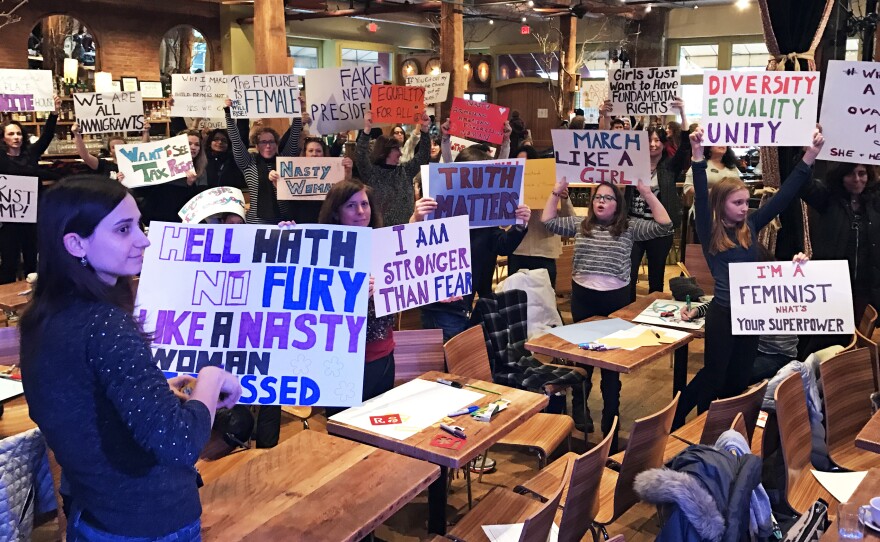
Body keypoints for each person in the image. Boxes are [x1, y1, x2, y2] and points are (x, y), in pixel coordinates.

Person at [20, 175, 241, 540]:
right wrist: (212, 378)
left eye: (139, 223)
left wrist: (153, 391)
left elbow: (80, 405)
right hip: (146, 521)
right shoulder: (104, 323)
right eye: (123, 229)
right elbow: (180, 443)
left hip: (93, 512)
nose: (144, 239)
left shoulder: (44, 316)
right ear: (76, 243)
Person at [672, 126, 825, 428]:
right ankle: (692, 422)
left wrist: (809, 156)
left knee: (739, 376)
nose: (744, 208)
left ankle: (727, 425)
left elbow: (785, 196)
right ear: (722, 205)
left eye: (745, 202)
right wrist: (698, 156)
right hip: (724, 313)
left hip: (750, 315)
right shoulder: (709, 229)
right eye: (737, 203)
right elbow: (701, 198)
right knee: (715, 374)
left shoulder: (751, 226)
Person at [543, 177, 673, 447]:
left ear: (618, 204)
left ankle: (610, 422)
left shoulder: (629, 227)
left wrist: (647, 193)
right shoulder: (581, 224)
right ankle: (580, 410)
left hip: (615, 299)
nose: (601, 201)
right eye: (598, 197)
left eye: (608, 198)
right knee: (583, 360)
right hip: (583, 298)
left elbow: (665, 225)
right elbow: (548, 221)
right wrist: (556, 191)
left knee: (611, 364)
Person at [283, 179, 395, 413]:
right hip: (338, 361)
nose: (361, 212)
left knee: (379, 434)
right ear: (336, 212)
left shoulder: (385, 245)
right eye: (351, 206)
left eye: (364, 204)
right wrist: (284, 242)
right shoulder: (318, 249)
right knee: (344, 436)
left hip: (381, 355)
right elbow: (303, 302)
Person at [414, 146, 531, 342]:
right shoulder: (435, 203)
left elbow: (502, 245)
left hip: (465, 301)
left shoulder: (484, 213)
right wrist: (417, 217)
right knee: (449, 361)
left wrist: (520, 225)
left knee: (460, 360)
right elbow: (416, 244)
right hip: (440, 303)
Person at [800, 163, 880, 321]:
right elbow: (803, 184)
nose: (857, 179)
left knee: (861, 331)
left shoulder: (875, 200)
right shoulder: (827, 197)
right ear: (840, 177)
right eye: (850, 174)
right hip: (834, 286)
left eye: (862, 173)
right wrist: (807, 156)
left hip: (867, 286)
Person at [0, 96, 62, 284]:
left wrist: (54, 113)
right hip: (8, 217)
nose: (16, 137)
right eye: (10, 134)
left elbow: (47, 136)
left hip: (32, 214)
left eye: (18, 133)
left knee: (32, 259)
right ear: (3, 137)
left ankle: (34, 300)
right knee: (9, 260)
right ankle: (6, 301)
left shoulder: (31, 154)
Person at [225, 98, 302, 224]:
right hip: (255, 223)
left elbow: (294, 136)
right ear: (256, 146)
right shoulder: (248, 163)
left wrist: (298, 111)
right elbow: (236, 140)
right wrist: (228, 113)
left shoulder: (284, 161)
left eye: (271, 141)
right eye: (263, 142)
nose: (268, 146)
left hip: (284, 223)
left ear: (276, 144)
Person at [507, 144, 572, 288]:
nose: (524, 167)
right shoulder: (509, 185)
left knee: (545, 300)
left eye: (528, 163)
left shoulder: (552, 184)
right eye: (519, 163)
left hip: (545, 251)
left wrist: (564, 198)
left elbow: (570, 220)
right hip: (518, 249)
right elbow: (502, 223)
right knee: (515, 300)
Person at [356, 111, 431, 227]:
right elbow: (360, 155)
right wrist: (366, 130)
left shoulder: (405, 171)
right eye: (397, 149)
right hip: (379, 232)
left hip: (406, 230)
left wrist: (425, 130)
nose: (401, 153)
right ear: (386, 150)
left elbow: (423, 155)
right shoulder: (371, 173)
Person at [267, 137, 353, 224]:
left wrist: (347, 173)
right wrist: (276, 180)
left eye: (318, 151)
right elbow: (287, 196)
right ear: (305, 153)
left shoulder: (334, 171)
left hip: (326, 220)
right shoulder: (294, 170)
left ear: (324, 154)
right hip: (300, 221)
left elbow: (343, 194)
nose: (314, 154)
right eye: (310, 150)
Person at [130, 129, 207, 224]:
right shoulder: (162, 164)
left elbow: (200, 202)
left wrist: (189, 185)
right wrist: (126, 179)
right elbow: (143, 190)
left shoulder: (201, 170)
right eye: (189, 143)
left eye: (197, 144)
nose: (193, 147)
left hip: (180, 221)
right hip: (155, 217)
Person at [71, 122, 151, 180]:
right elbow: (86, 156)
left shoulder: (135, 163)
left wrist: (146, 132)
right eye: (114, 147)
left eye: (121, 146)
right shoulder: (104, 164)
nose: (118, 149)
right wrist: (77, 134)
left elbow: (144, 148)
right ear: (110, 151)